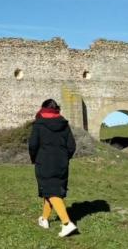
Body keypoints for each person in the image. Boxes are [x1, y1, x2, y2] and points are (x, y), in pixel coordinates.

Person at [28, 99, 78, 237]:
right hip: (61, 162)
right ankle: (44, 219)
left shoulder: (38, 124)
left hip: (44, 162)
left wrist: (34, 158)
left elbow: (33, 145)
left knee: (51, 191)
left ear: (43, 109)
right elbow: (72, 146)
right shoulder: (64, 124)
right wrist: (64, 157)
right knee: (50, 189)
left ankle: (67, 223)